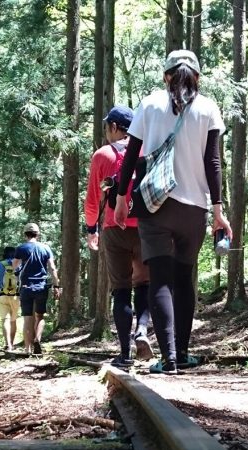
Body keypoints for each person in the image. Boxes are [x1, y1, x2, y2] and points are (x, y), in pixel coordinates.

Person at [113, 49, 232, 375]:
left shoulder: (150, 104)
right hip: (194, 209)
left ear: (166, 76)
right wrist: (218, 211)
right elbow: (213, 162)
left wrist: (122, 198)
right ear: (197, 77)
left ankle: (169, 360)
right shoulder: (208, 107)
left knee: (160, 279)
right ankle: (182, 351)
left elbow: (132, 154)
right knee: (183, 278)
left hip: (155, 205)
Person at [84, 104, 153, 368]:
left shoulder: (103, 155)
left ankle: (125, 354)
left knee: (121, 289)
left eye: (107, 127)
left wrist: (92, 228)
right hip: (145, 227)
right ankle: (142, 330)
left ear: (114, 127)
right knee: (144, 284)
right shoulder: (146, 151)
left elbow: (93, 199)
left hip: (115, 228)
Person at [13, 223, 60, 355]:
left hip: (26, 286)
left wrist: (18, 277)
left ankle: (27, 349)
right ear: (37, 234)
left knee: (27, 318)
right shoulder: (45, 248)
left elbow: (14, 267)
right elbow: (52, 268)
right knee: (40, 316)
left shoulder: (21, 248)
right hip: (41, 286)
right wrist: (56, 285)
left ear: (25, 234)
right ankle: (37, 339)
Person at [0, 246, 20, 351]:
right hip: (16, 296)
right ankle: (12, 343)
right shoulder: (19, 264)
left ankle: (8, 344)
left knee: (5, 320)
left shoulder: (0, 265)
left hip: (2, 295)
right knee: (13, 320)